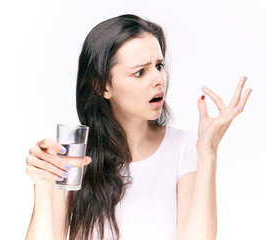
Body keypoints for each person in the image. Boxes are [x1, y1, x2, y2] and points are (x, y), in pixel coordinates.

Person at [25, 14, 252, 240]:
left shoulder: (185, 147)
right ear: (102, 86)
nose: (159, 79)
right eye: (140, 72)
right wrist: (43, 186)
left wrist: (208, 152)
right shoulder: (74, 155)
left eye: (159, 66)